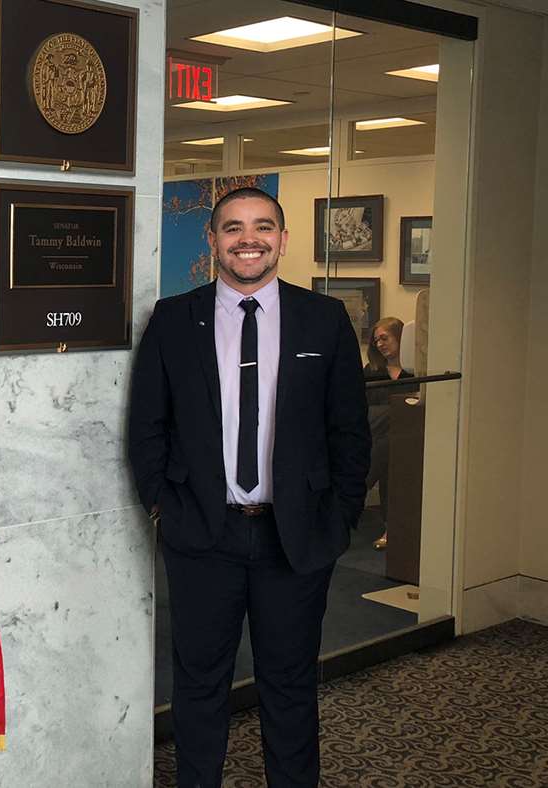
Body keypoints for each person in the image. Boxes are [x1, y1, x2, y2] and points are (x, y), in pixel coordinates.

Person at [129, 187, 371, 788]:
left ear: (283, 240)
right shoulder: (174, 319)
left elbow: (349, 431)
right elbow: (147, 425)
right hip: (202, 535)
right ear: (212, 241)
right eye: (233, 228)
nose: (248, 239)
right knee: (199, 684)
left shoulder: (324, 319)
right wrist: (163, 504)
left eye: (263, 226)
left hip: (296, 538)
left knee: (289, 686)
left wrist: (339, 519)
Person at [364, 317, 417, 551]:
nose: (380, 344)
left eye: (384, 338)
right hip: (377, 437)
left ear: (401, 338)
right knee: (388, 451)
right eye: (376, 341)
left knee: (390, 448)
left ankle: (360, 486)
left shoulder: (416, 371)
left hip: (411, 437)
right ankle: (390, 527)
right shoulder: (372, 371)